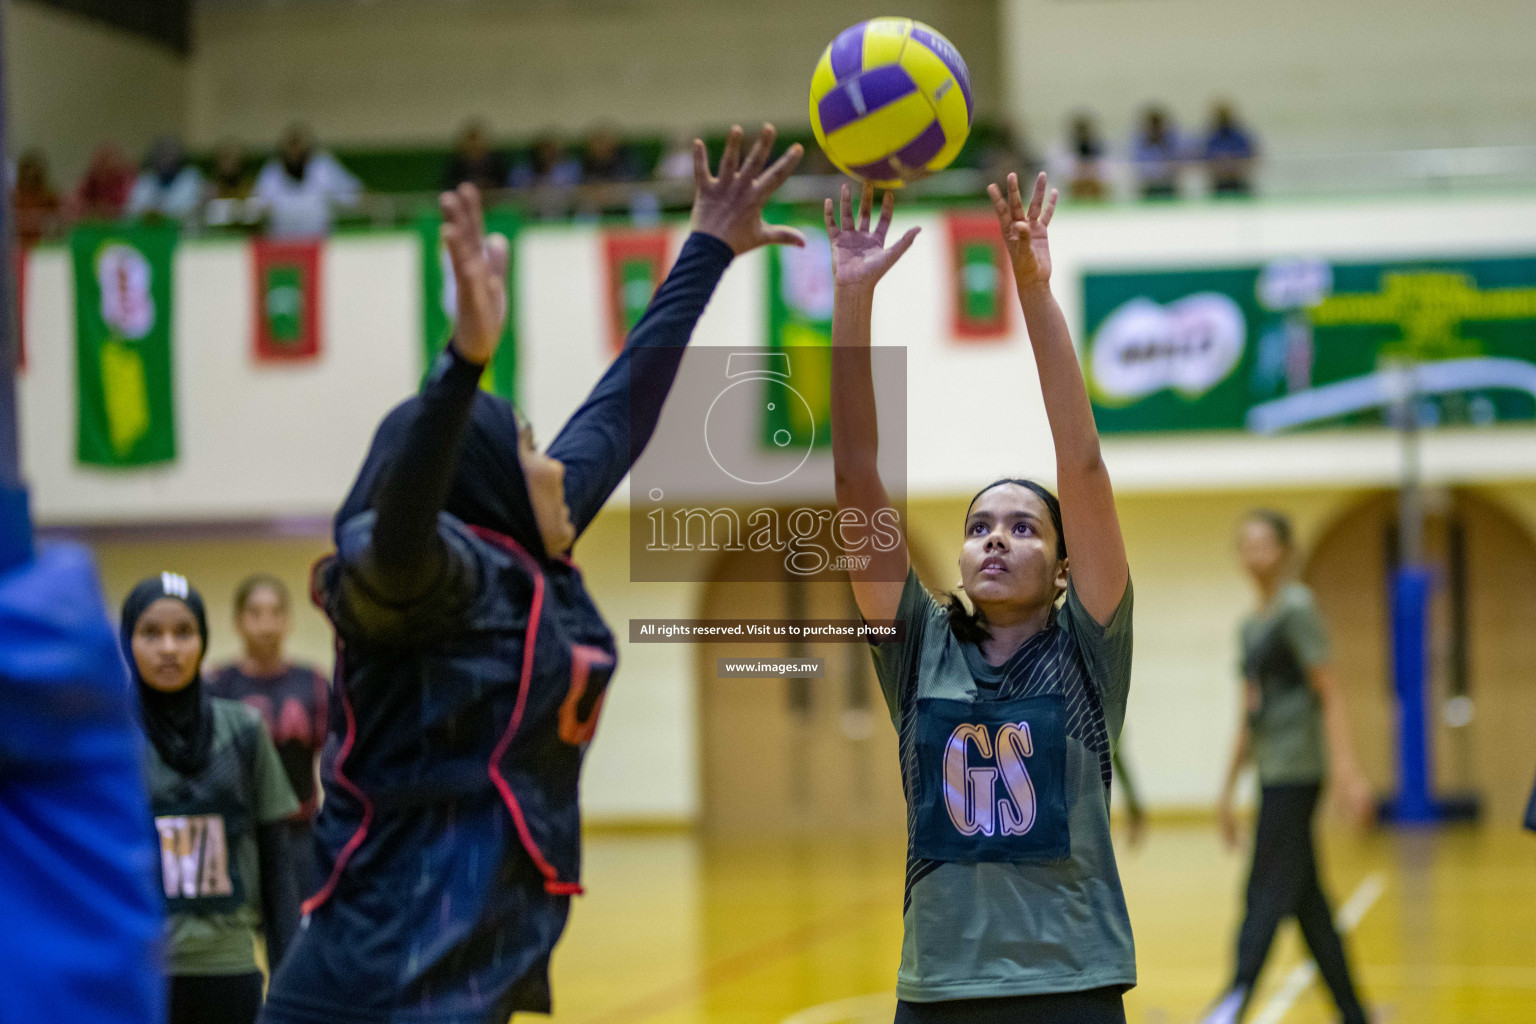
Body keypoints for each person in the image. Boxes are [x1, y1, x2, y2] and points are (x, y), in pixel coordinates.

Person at [259, 124, 804, 1024]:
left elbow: (619, 412)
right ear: (484, 483)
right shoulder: (416, 590)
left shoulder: (526, 551)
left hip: (477, 970)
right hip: (367, 984)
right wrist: (463, 364)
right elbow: (396, 536)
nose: (555, 460)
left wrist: (706, 250)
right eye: (525, 444)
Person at [827, 172, 1135, 1022]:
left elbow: (1083, 467)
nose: (996, 537)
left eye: (1026, 528)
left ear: (1067, 569)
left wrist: (1032, 289)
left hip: (1073, 987)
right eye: (979, 526)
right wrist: (851, 301)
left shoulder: (1088, 648)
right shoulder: (917, 645)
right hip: (939, 995)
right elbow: (856, 475)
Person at [1201, 510, 1373, 1024]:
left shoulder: (1298, 609)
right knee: (1308, 905)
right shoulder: (1251, 627)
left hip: (1300, 771)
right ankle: (1354, 1013)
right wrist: (1227, 792)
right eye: (1245, 545)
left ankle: (1231, 1004)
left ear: (1285, 550)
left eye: (1264, 544)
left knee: (1262, 892)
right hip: (1272, 772)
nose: (1254, 555)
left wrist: (1347, 773)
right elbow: (1249, 716)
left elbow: (1330, 690)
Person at [125, 572, 302, 1024]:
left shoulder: (243, 730)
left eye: (183, 632)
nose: (168, 647)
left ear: (203, 640)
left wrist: (287, 983)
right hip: (140, 970)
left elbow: (278, 870)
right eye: (151, 632)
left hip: (230, 967)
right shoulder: (111, 739)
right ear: (129, 641)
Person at [207, 575, 330, 896]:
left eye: (276, 612)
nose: (267, 623)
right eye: (256, 613)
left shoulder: (312, 682)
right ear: (238, 621)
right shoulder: (219, 685)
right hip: (238, 834)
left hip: (300, 833)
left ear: (287, 620)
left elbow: (338, 756)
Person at [253, 125, 362, 238]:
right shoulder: (271, 172)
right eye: (291, 148)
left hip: (319, 245)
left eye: (299, 149)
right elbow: (255, 209)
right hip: (281, 245)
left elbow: (355, 196)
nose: (295, 153)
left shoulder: (323, 167)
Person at [127, 136, 206, 224]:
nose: (166, 160)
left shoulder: (190, 178)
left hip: (182, 230)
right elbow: (134, 208)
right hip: (149, 230)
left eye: (170, 155)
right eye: (162, 155)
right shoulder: (146, 179)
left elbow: (191, 208)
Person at [1202, 102, 1259, 197]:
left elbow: (1250, 158)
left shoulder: (1240, 137)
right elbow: (1207, 159)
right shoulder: (1212, 138)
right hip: (1219, 183)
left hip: (1238, 182)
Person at [442, 120, 510, 193]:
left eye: (477, 140)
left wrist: (487, 186)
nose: (474, 145)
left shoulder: (496, 161)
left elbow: (503, 185)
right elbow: (448, 185)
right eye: (470, 141)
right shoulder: (456, 163)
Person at [1130, 106, 1182, 200]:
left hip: (1168, 185)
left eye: (1157, 126)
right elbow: (1138, 165)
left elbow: (1176, 163)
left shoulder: (1171, 142)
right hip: (1148, 186)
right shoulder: (1140, 143)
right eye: (1152, 126)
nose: (1154, 129)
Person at [73, 144, 135, 221]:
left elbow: (128, 209)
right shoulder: (91, 180)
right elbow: (76, 202)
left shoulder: (127, 183)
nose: (104, 167)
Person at [13, 149, 61, 245]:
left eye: (34, 175)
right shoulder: (14, 196)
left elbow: (59, 223)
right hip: (17, 247)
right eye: (27, 172)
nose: (30, 177)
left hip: (42, 248)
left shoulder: (49, 197)